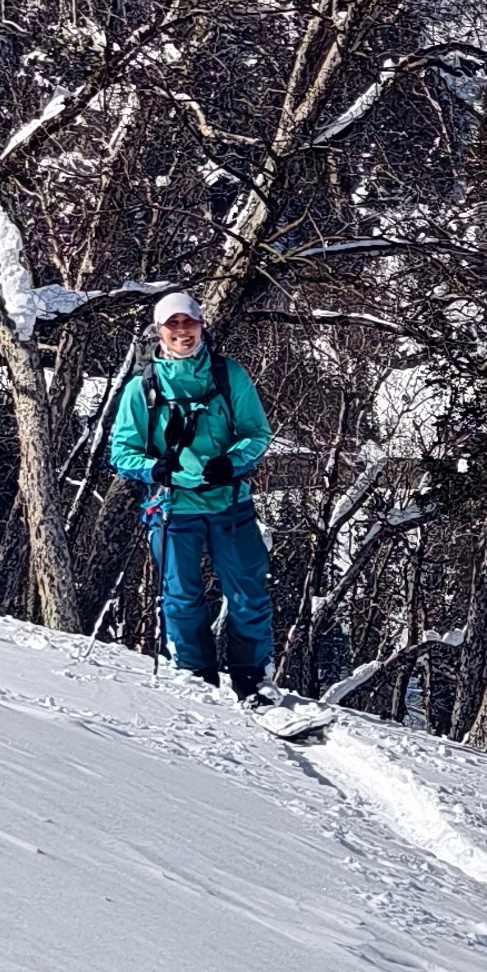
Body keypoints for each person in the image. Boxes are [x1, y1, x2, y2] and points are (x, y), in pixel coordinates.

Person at [108, 291, 276, 700]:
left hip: (229, 501)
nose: (182, 331)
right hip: (171, 508)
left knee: (248, 593)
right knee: (180, 596)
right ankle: (195, 675)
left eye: (189, 323)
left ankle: (253, 678)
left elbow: (257, 433)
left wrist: (231, 462)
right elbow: (120, 451)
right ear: (159, 331)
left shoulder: (228, 374)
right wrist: (153, 468)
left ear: (201, 325)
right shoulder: (140, 388)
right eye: (173, 324)